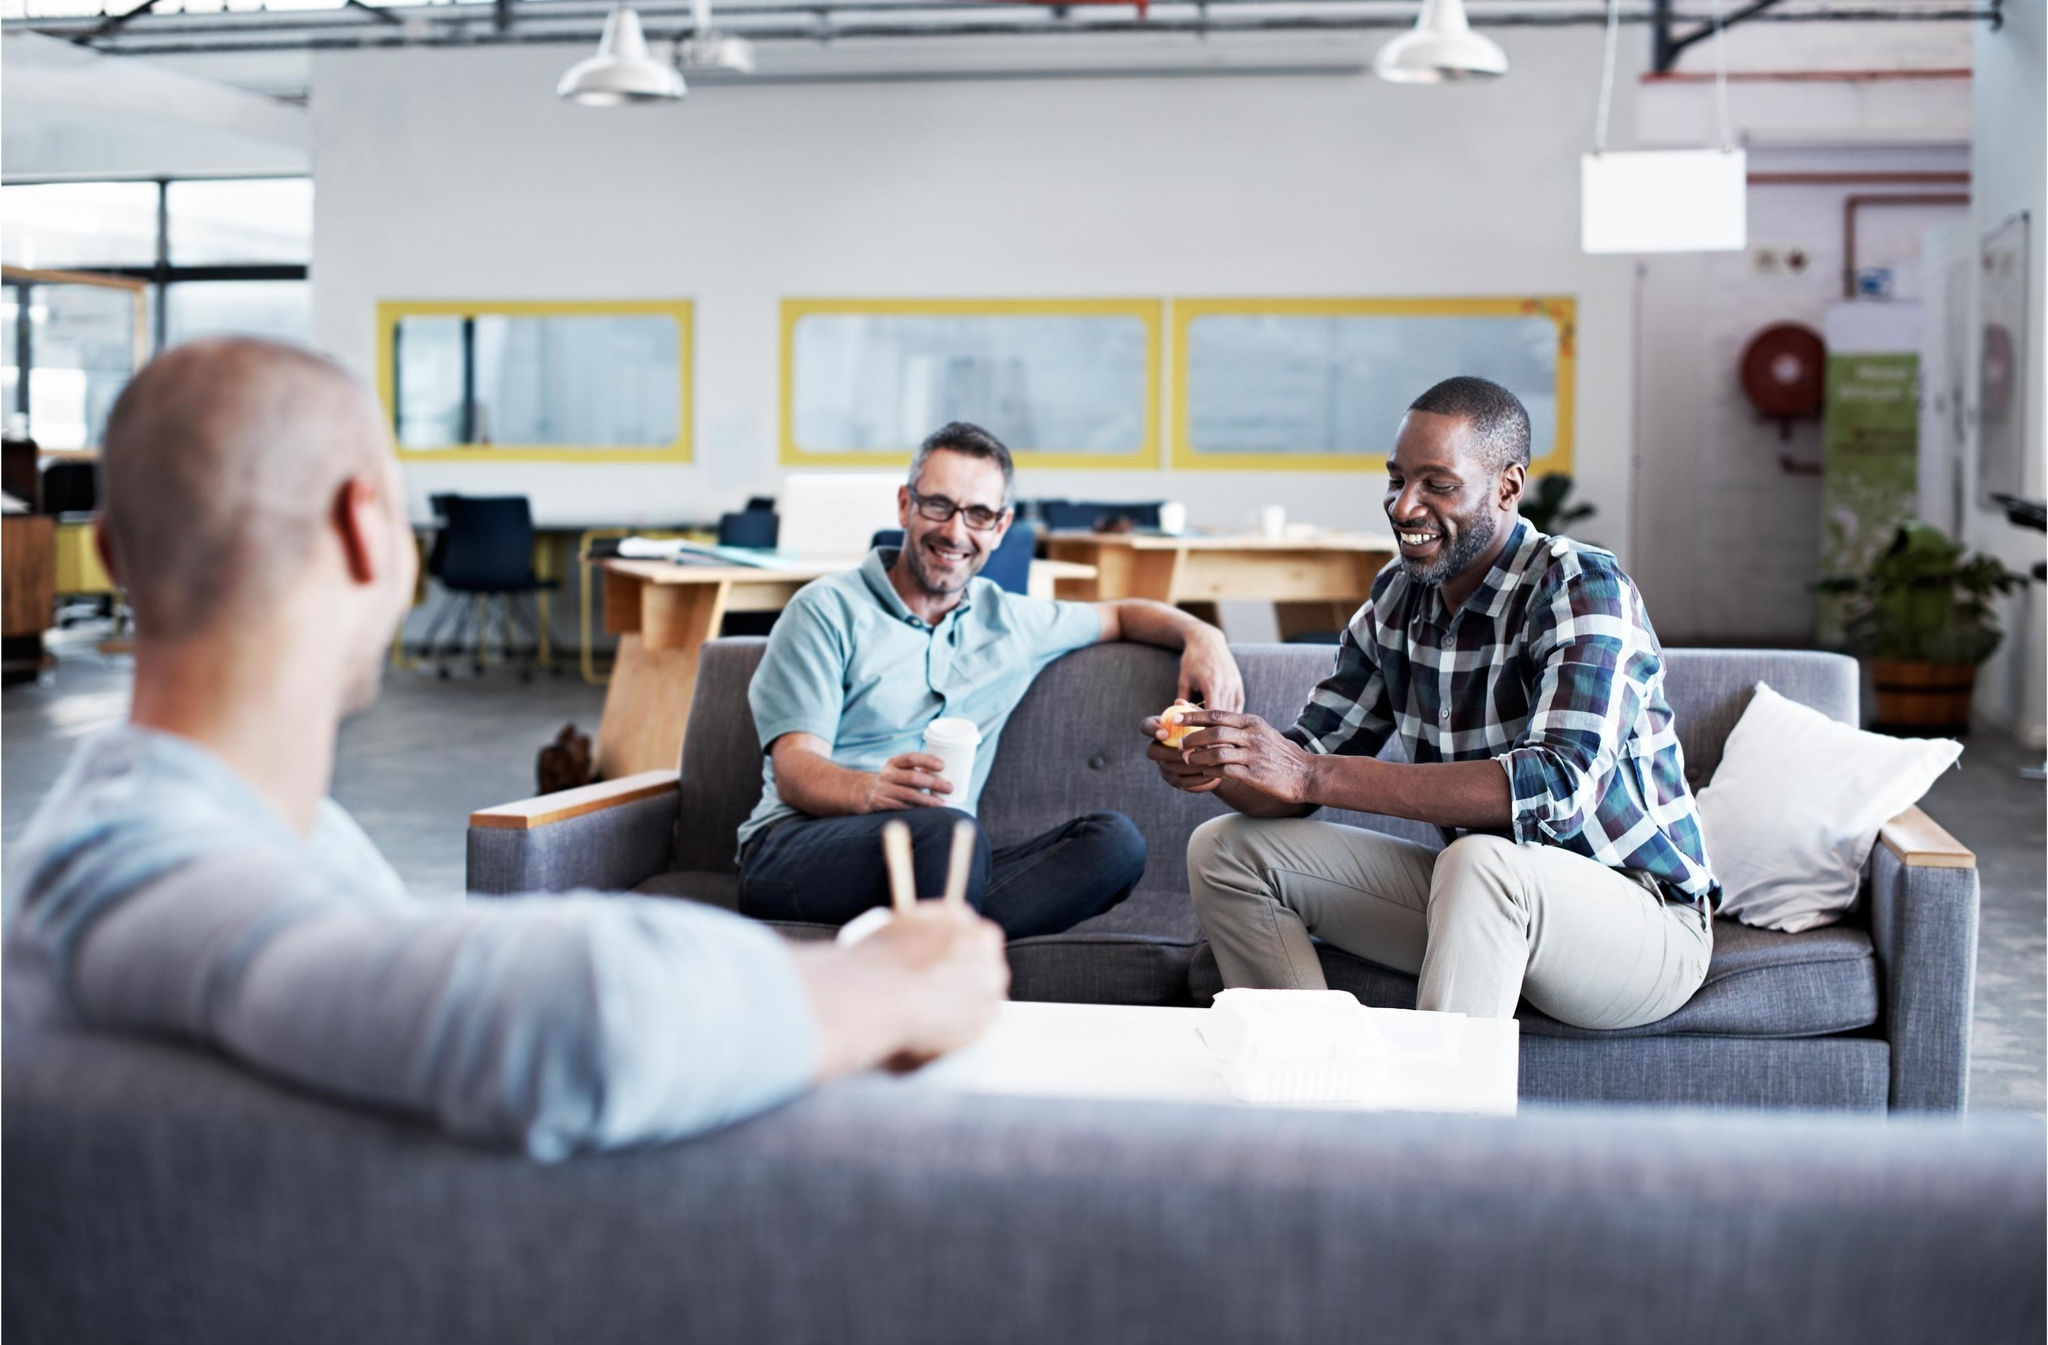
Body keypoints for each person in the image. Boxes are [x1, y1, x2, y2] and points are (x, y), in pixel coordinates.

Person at [2, 338, 1010, 1162]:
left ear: (119, 558)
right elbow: (571, 1022)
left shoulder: (209, 835)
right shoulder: (138, 870)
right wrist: (890, 983)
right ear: (366, 531)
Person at [1146, 377, 1719, 1030]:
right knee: (1226, 849)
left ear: (1508, 486)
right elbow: (1303, 769)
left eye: (1436, 485)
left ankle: (1432, 1129)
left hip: (1642, 925)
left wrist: (1308, 771)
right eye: (1396, 479)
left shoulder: (1581, 587)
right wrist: (1221, 758)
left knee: (1479, 861)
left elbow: (1556, 784)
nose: (1402, 506)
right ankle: (1309, 1087)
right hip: (1477, 900)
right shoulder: (1397, 599)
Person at [737, 421, 1244, 939]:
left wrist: (1203, 634)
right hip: (798, 847)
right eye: (938, 505)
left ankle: (916, 939)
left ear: (1000, 527)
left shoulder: (1012, 622)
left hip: (943, 860)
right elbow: (796, 768)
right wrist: (869, 790)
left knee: (1115, 844)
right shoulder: (826, 610)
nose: (955, 532)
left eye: (978, 514)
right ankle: (940, 960)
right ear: (904, 506)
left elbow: (1121, 615)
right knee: (951, 833)